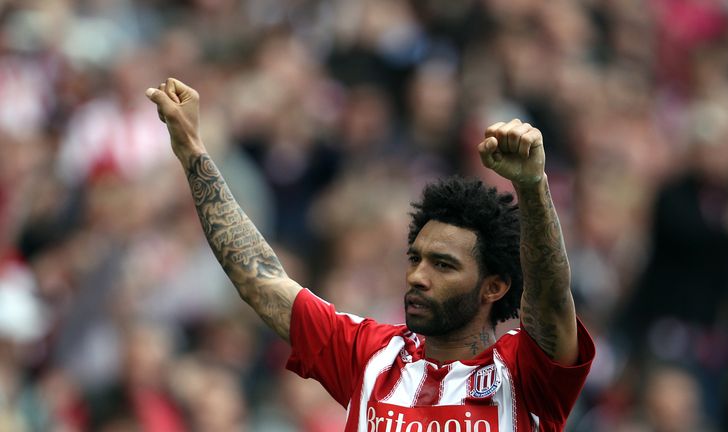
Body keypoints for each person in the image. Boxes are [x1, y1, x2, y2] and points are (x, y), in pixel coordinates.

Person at [145, 78, 594, 431]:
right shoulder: (371, 354)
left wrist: (533, 188)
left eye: (443, 265)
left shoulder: (524, 374)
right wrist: (193, 153)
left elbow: (551, 297)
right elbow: (258, 278)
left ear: (493, 287)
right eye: (415, 259)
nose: (417, 276)